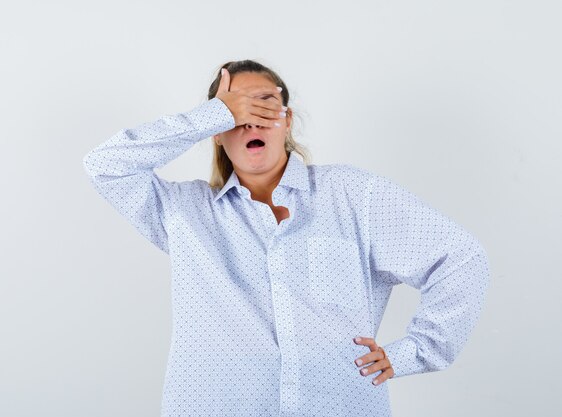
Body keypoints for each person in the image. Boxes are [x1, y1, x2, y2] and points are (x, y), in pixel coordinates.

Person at [82, 59, 490, 417]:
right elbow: (105, 166)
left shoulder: (353, 195)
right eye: (235, 112)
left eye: (264, 105)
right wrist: (209, 115)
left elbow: (459, 258)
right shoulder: (183, 211)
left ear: (288, 120)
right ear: (218, 132)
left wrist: (414, 352)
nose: (251, 120)